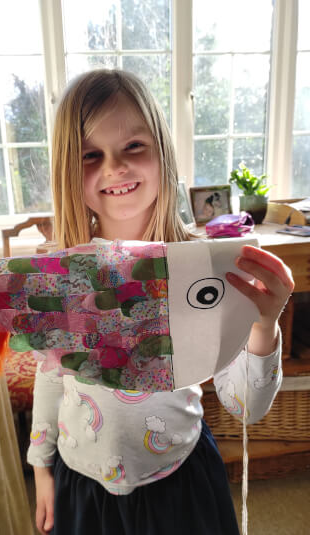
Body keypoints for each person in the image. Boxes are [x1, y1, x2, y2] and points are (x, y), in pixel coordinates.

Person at [27, 69, 294, 535]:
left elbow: (246, 407)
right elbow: (51, 373)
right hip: (83, 487)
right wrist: (41, 468)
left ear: (161, 152)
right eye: (91, 154)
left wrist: (263, 325)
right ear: (70, 169)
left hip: (180, 483)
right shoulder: (63, 270)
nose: (114, 167)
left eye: (133, 146)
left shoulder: (207, 268)